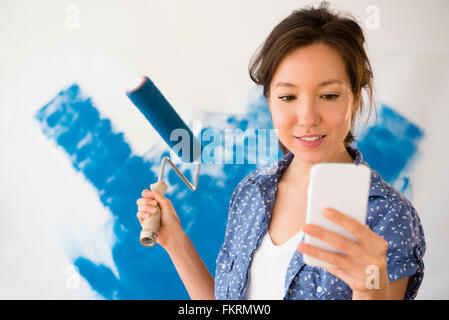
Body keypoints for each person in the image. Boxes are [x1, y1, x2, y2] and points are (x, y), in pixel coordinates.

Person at [136, 1, 426, 300]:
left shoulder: (387, 215)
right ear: (269, 102)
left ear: (355, 98)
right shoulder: (251, 191)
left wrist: (369, 289)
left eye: (328, 95)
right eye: (288, 96)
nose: (307, 117)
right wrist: (175, 241)